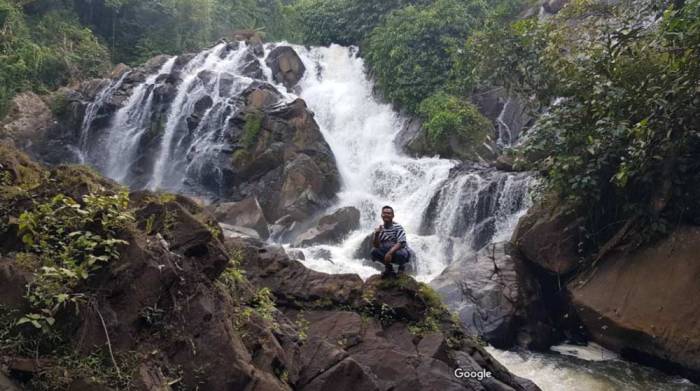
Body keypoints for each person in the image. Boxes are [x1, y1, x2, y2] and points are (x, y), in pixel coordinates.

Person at [371, 205, 410, 277]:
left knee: (401, 253)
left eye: (388, 213)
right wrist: (376, 235)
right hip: (388, 252)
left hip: (400, 252)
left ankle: (401, 268)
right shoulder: (380, 229)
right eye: (384, 213)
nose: (386, 215)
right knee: (374, 252)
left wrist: (389, 253)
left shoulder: (398, 227)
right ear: (381, 215)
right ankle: (389, 268)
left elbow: (401, 243)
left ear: (392, 215)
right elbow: (376, 246)